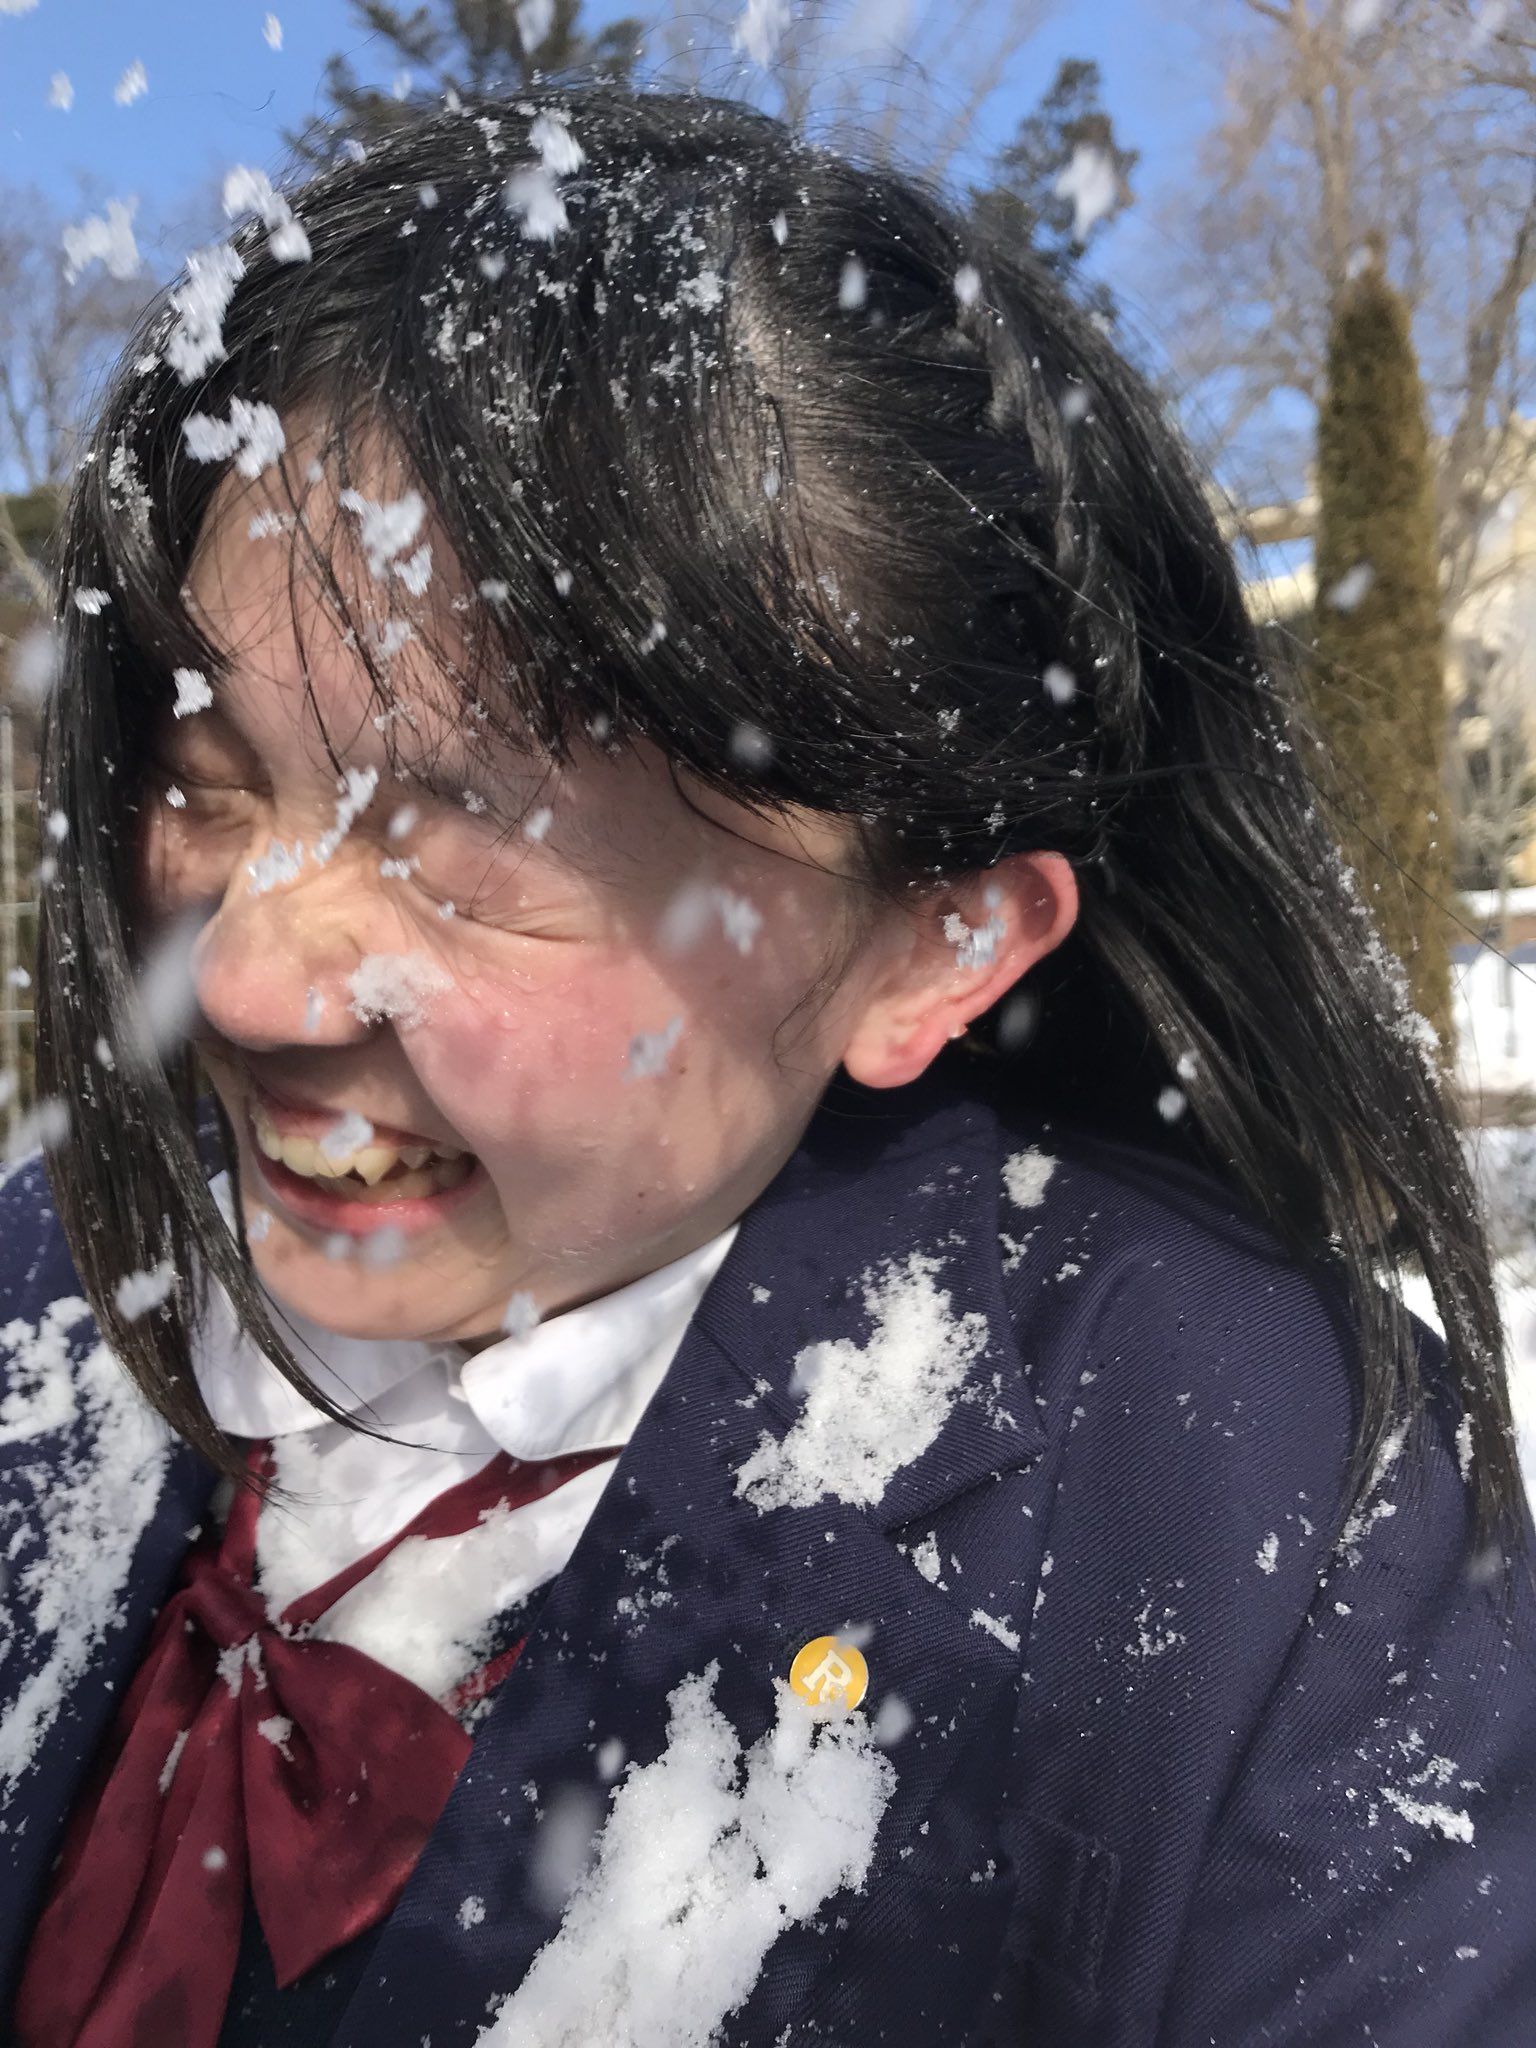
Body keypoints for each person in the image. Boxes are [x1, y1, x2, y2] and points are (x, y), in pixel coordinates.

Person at [0, 83, 1530, 2048]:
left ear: (929, 941)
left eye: (462, 845)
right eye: (209, 785)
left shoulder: (1244, 1523)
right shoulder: (58, 1268)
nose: (247, 975)